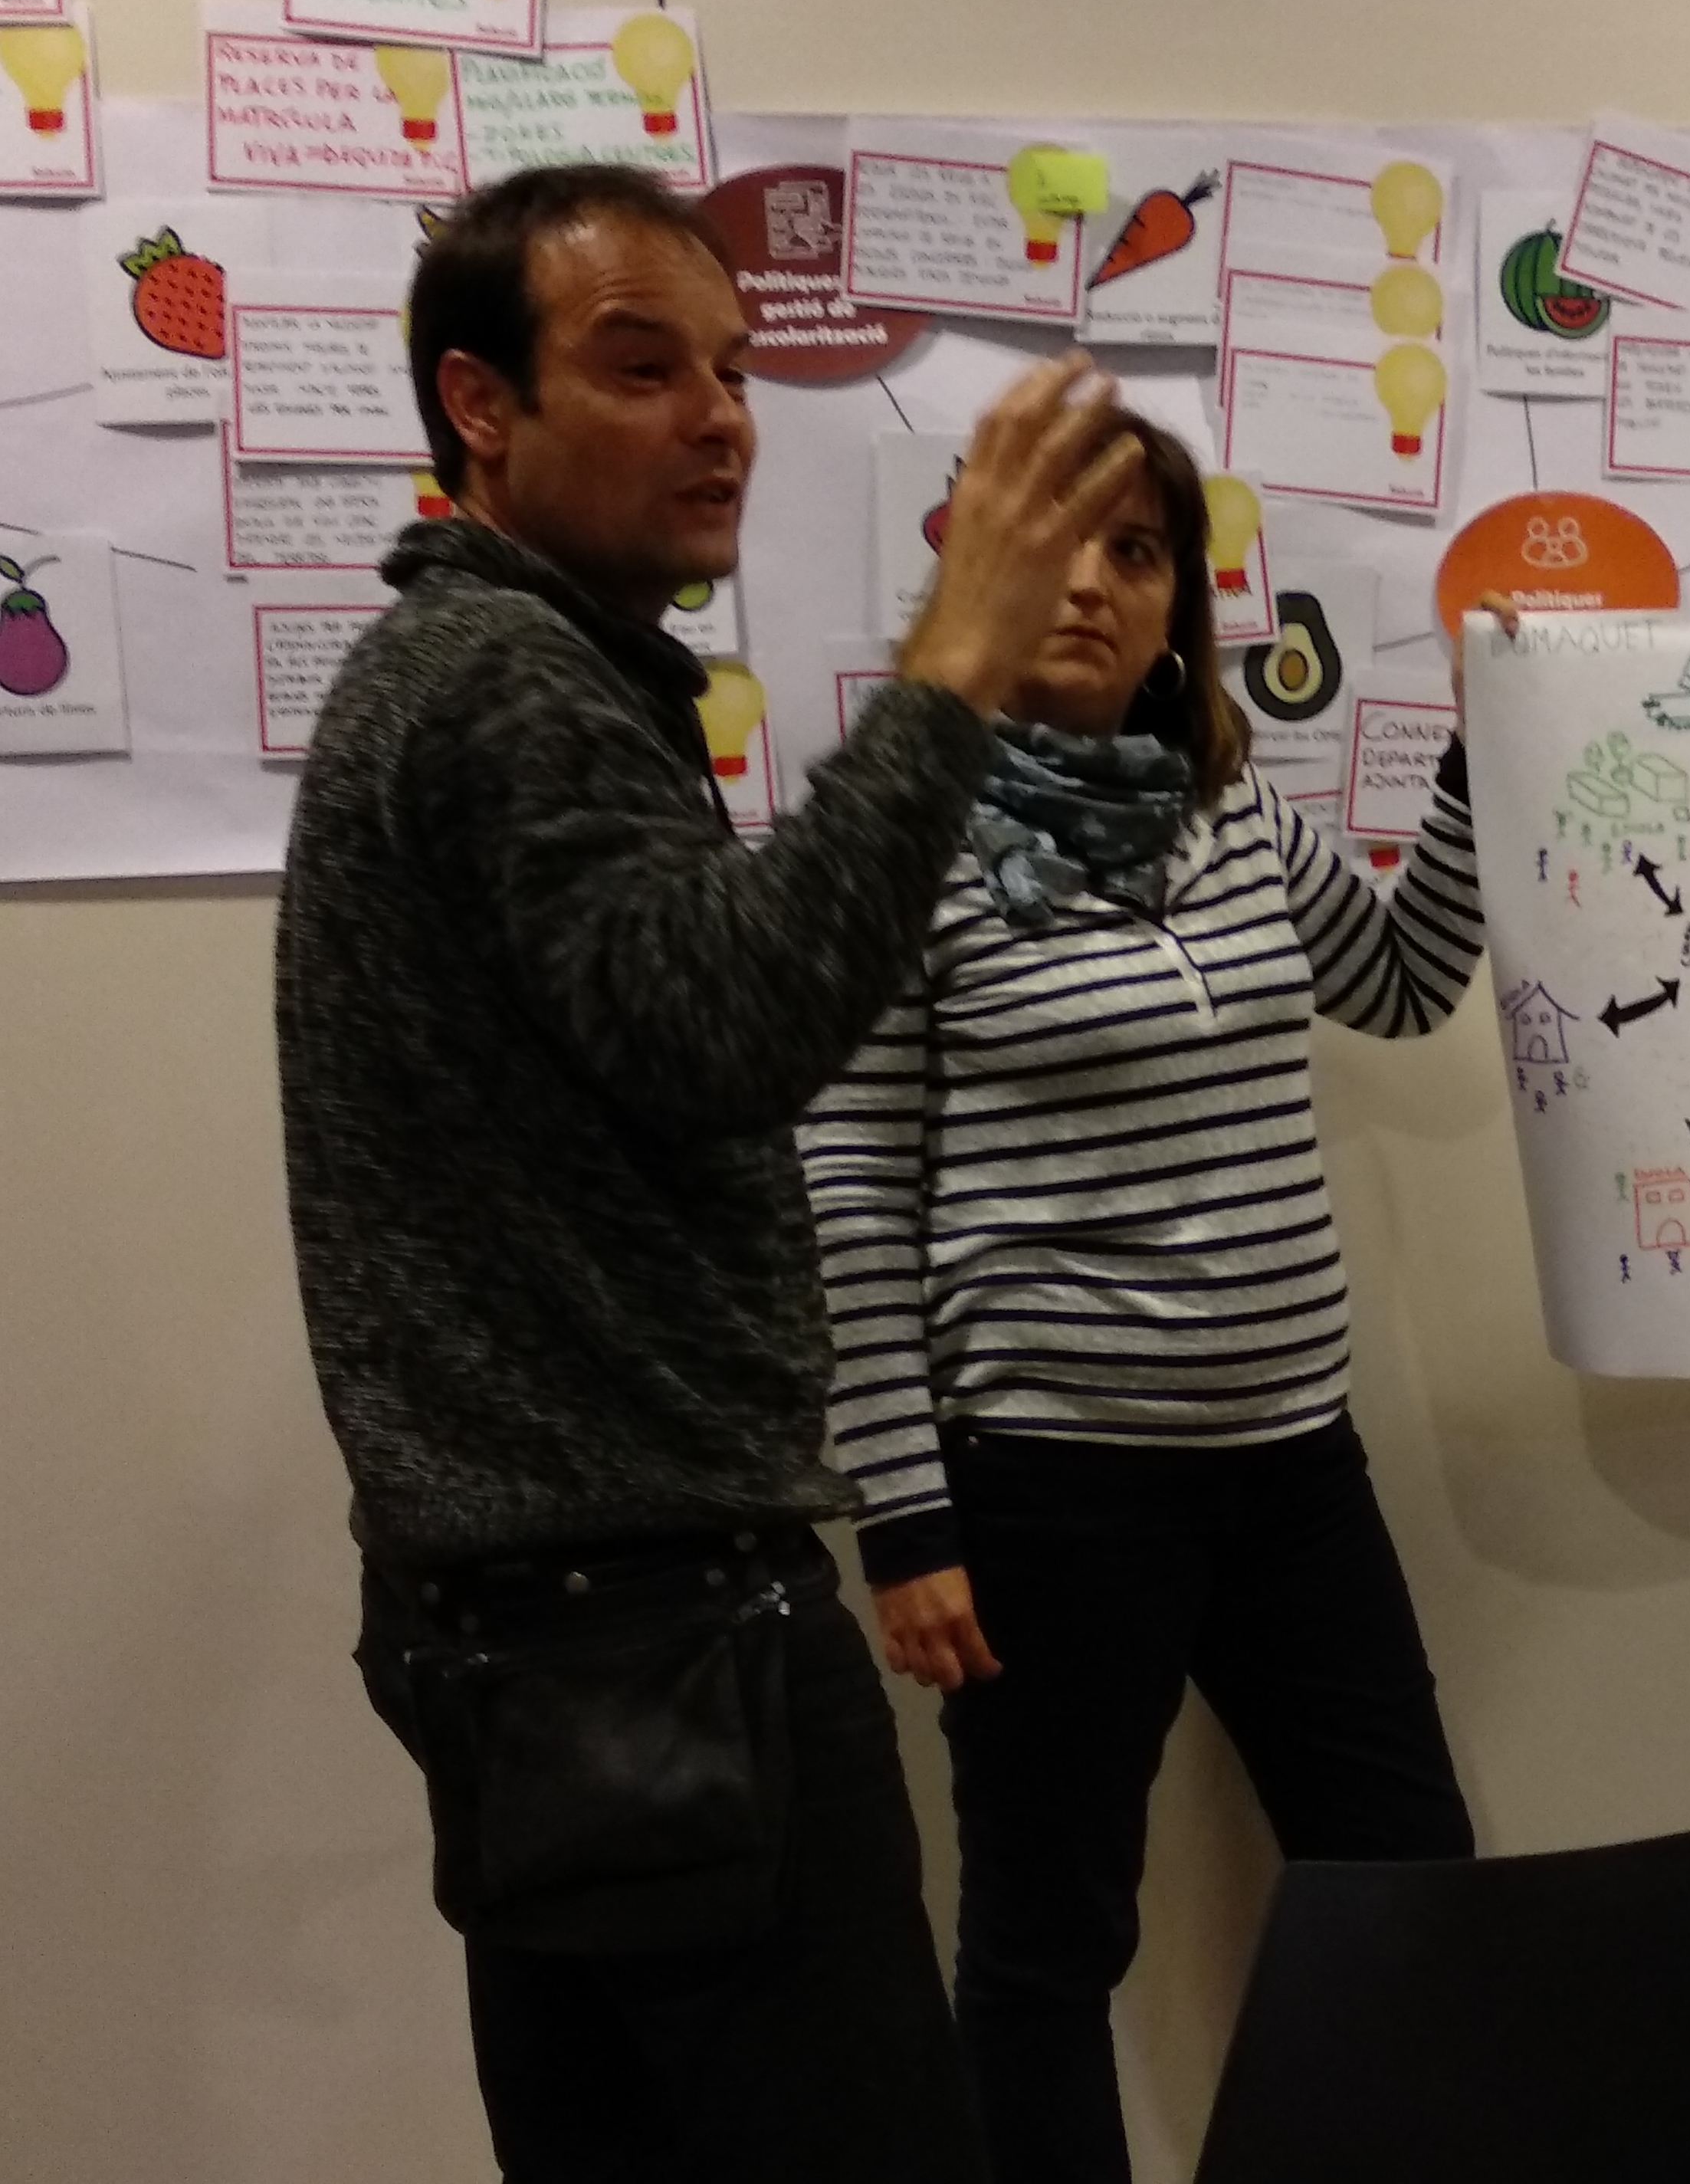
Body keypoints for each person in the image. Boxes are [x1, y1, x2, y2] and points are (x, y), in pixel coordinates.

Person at [275, 161, 1146, 2182]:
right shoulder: (506, 681)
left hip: (564, 1631)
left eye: (735, 369)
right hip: (647, 1636)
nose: (721, 418)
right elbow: (731, 1029)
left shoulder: (503, 666)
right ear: (481, 406)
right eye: (641, 367)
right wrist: (949, 668)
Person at [800, 414, 1482, 2183]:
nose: (1093, 585)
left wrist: (1484, 769)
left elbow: (1403, 982)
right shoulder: (894, 835)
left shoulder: (1229, 807)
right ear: (977, 567)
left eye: (1139, 552)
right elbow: (848, 1189)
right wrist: (902, 1516)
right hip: (1047, 1491)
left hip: (1291, 1470)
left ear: (1181, 605)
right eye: (1058, 542)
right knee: (1046, 1954)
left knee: (1413, 1894)